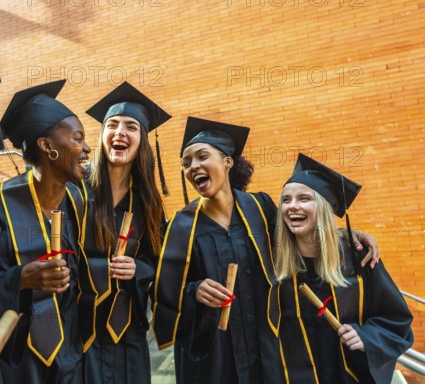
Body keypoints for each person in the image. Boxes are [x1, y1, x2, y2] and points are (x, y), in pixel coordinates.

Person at [152, 117, 380, 384]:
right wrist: (195, 290)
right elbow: (163, 292)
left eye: (202, 156)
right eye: (186, 163)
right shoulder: (179, 227)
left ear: (228, 161)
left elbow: (296, 237)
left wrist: (342, 234)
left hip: (267, 341)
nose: (193, 167)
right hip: (213, 350)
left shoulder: (259, 208)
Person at [0, 80, 90, 383]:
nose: (87, 148)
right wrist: (20, 279)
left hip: (70, 357)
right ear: (47, 146)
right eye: (77, 138)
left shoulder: (79, 203)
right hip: (16, 361)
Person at [274, 153, 413, 383]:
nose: (292, 206)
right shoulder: (276, 261)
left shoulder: (358, 258)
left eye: (304, 198)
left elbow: (396, 319)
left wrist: (367, 337)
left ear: (324, 208)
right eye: (286, 200)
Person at [79, 81, 170, 384]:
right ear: (102, 135)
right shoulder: (76, 192)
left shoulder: (149, 203)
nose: (120, 132)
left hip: (127, 328)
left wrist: (138, 268)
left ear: (142, 140)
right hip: (80, 326)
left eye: (131, 127)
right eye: (112, 125)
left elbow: (157, 261)